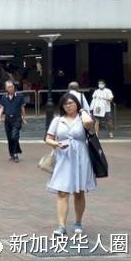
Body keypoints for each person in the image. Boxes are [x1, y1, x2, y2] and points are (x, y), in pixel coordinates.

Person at [44, 93, 95, 236]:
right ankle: (61, 226)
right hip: (63, 158)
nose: (68, 106)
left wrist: (82, 111)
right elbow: (48, 138)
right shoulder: (58, 120)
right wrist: (56, 144)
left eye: (71, 103)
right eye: (65, 104)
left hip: (81, 158)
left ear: (77, 104)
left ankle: (78, 222)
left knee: (79, 192)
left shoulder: (83, 119)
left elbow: (90, 124)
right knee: (62, 192)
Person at [0, 81, 27, 162]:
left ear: (14, 87)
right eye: (9, 87)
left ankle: (16, 153)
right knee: (9, 138)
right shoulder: (4, 97)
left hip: (17, 118)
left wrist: (24, 118)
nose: (10, 88)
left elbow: (22, 108)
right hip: (8, 119)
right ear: (6, 88)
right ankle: (12, 154)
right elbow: (2, 107)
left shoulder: (19, 96)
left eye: (12, 86)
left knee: (14, 136)